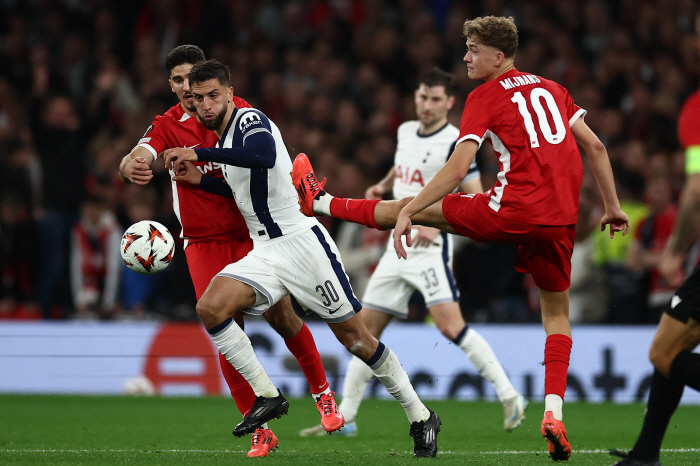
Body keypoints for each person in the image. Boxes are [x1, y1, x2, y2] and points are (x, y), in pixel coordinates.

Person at [293, 16, 630, 461]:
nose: (467, 57)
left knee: (407, 205)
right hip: (560, 219)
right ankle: (553, 414)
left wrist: (412, 210)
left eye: (473, 49)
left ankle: (319, 202)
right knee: (556, 316)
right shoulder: (554, 88)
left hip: (511, 210)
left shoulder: (485, 95)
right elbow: (597, 147)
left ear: (498, 56)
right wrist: (612, 205)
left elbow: (455, 171)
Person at [165, 59, 442, 458]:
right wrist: (203, 181)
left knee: (357, 340)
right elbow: (250, 190)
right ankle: (267, 396)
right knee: (210, 307)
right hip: (265, 251)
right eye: (199, 98)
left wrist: (197, 151)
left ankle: (420, 416)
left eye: (213, 95)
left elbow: (260, 154)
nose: (206, 105)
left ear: (228, 93)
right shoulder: (224, 140)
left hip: (302, 246)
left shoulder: (248, 121)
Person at [118, 45, 341, 457]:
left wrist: (200, 170)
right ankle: (260, 427)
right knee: (222, 328)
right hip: (201, 242)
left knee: (282, 315)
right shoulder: (166, 125)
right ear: (170, 86)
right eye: (179, 81)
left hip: (249, 234)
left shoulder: (235, 113)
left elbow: (259, 160)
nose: (189, 89)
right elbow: (141, 151)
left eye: (194, 80)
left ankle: (322, 392)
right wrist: (130, 165)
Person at [300, 67, 526, 438]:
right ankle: (347, 416)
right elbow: (404, 167)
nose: (427, 105)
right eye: (423, 97)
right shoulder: (405, 131)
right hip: (395, 248)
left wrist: (428, 222)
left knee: (450, 326)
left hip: (430, 247)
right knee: (363, 329)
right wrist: (384, 184)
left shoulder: (457, 139)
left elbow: (474, 193)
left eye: (436, 99)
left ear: (450, 103)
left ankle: (509, 395)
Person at [609, 16, 700, 466]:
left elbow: (696, 191)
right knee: (672, 349)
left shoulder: (696, 109)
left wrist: (675, 252)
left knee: (664, 351)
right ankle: (645, 454)